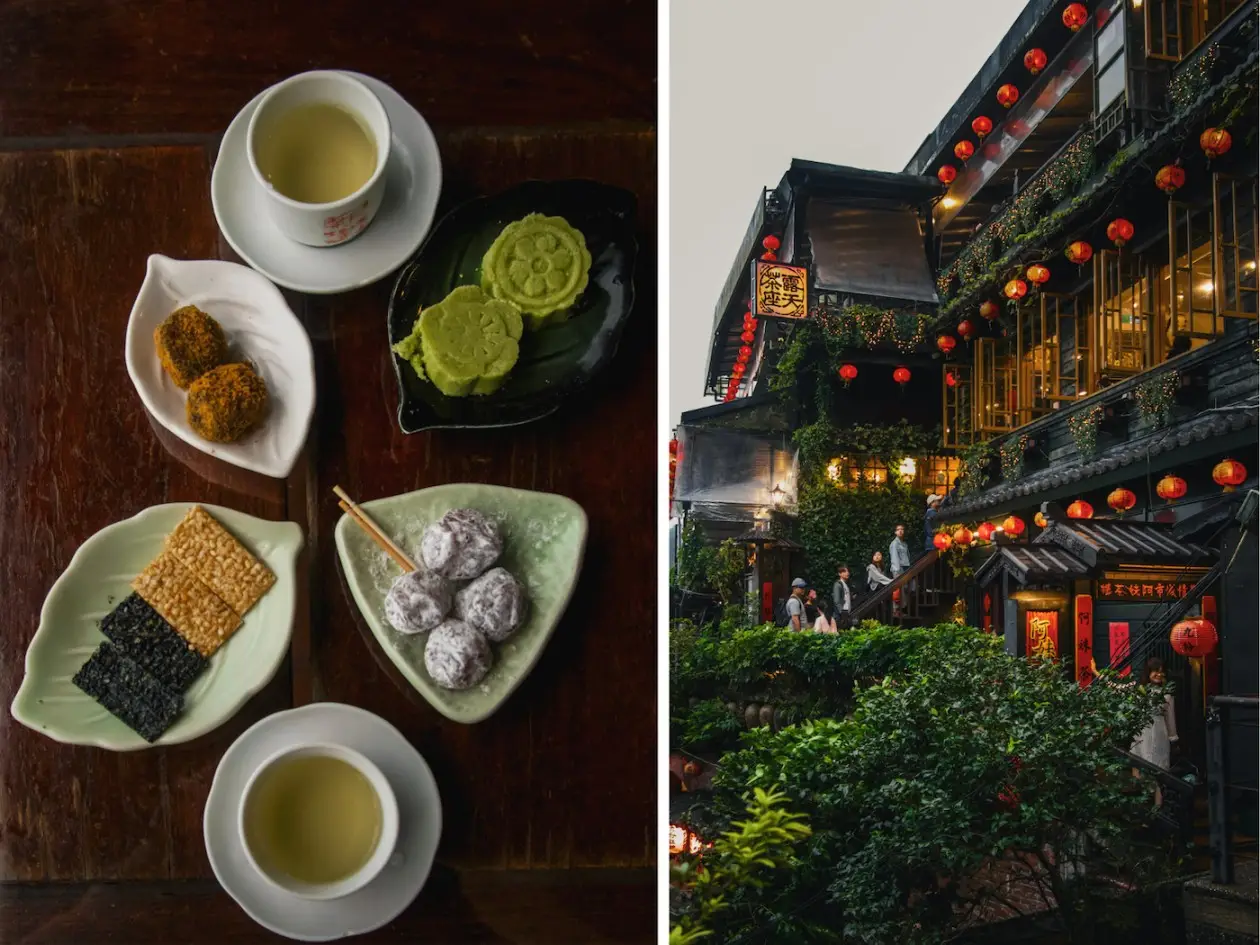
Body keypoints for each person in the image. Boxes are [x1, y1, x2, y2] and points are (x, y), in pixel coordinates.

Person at [1132, 656, 1178, 806]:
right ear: (1148, 672)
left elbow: (1170, 718)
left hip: (1159, 733)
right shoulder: (1139, 689)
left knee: (1158, 772)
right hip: (1141, 732)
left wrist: (1173, 738)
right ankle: (1143, 805)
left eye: (1161, 672)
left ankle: (1157, 809)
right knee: (1138, 767)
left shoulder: (1166, 694)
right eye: (1155, 672)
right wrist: (1096, 673)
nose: (1159, 674)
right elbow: (1118, 688)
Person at [832, 565, 852, 630]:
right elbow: (836, 601)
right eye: (844, 571)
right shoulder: (837, 585)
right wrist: (842, 612)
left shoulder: (846, 584)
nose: (847, 573)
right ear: (839, 574)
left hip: (846, 613)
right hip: (840, 615)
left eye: (848, 571)